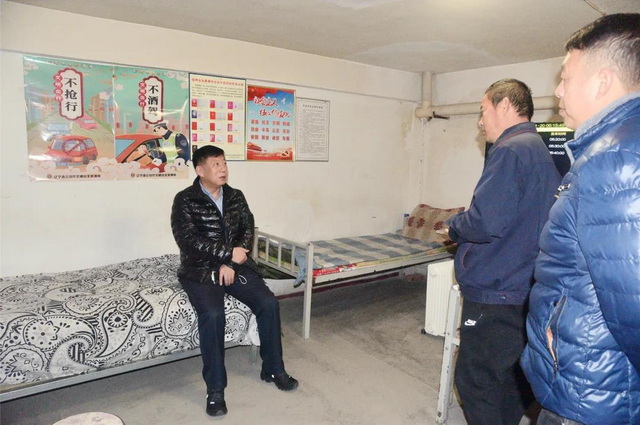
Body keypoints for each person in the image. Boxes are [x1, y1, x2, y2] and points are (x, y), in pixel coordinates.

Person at [520, 13, 640, 425]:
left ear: (602, 82)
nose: (557, 90)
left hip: (591, 391)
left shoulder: (616, 160)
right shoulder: (620, 147)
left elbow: (635, 301)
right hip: (600, 381)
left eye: (566, 78)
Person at [444, 79, 561, 425]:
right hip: (523, 284)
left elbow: (484, 222)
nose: (481, 121)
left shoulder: (509, 151)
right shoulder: (537, 149)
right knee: (510, 379)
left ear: (505, 105)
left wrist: (453, 225)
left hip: (496, 290)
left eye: (483, 110)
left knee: (476, 382)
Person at [171, 145, 298, 417]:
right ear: (200, 170)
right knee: (213, 314)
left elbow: (246, 231)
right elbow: (188, 241)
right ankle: (215, 389)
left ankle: (273, 369)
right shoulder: (185, 200)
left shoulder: (235, 196)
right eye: (215, 164)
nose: (222, 169)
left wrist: (230, 263)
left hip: (234, 266)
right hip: (200, 270)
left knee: (268, 303)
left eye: (224, 163)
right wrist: (226, 255)